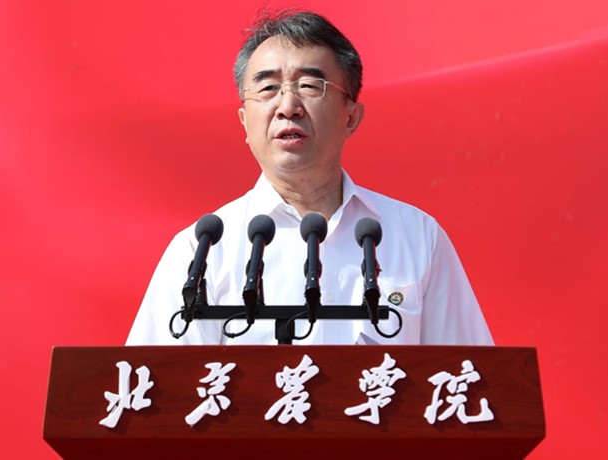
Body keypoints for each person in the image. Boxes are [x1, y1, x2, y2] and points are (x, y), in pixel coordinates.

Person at [126, 9, 493, 346]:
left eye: (309, 86)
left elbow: (469, 376)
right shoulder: (204, 249)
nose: (287, 107)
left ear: (351, 117)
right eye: (268, 88)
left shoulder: (415, 236)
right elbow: (152, 385)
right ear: (244, 122)